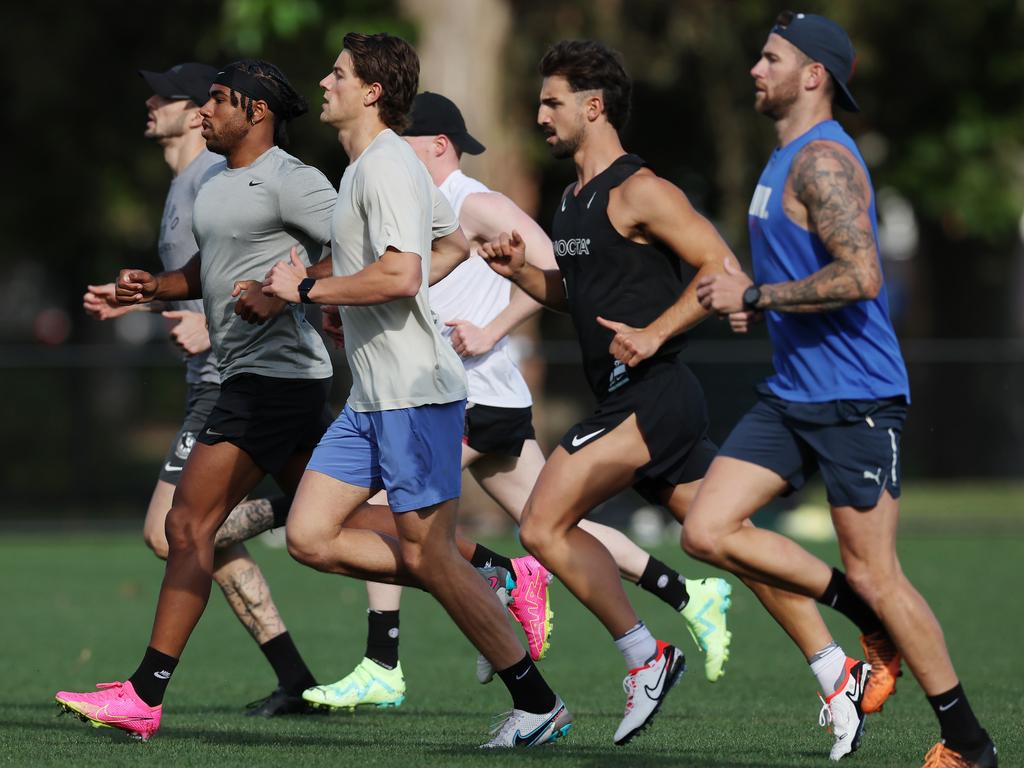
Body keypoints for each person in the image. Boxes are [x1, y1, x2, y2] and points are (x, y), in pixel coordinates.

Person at [480, 39, 883, 752]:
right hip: (634, 399)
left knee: (541, 523)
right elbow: (579, 298)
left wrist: (655, 330)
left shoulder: (642, 189)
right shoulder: (574, 199)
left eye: (553, 101)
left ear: (594, 106)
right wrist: (521, 274)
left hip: (653, 394)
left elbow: (719, 266)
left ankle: (645, 656)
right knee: (736, 548)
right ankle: (835, 668)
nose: (540, 114)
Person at [306, 90, 737, 712]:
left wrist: (493, 328)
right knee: (554, 526)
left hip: (474, 395)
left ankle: (390, 656)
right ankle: (687, 593)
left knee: (390, 511)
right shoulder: (403, 201)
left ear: (435, 144)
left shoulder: (473, 201)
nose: (389, 146)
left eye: (402, 137)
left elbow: (565, 275)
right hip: (465, 397)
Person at [691, 13, 997, 768]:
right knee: (707, 529)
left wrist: (756, 297)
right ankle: (868, 621)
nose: (755, 70)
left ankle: (969, 744)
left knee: (877, 571)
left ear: (813, 74)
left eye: (771, 58)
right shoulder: (782, 156)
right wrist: (743, 297)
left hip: (856, 397)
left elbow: (862, 275)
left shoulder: (821, 161)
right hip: (793, 393)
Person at [260, 33, 571, 749]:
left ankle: (538, 702)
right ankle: (480, 578)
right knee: (308, 536)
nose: (325, 82)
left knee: (429, 556)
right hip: (370, 400)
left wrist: (310, 288)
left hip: (416, 396)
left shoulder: (386, 167)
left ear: (371, 92)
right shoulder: (370, 168)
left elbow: (401, 275)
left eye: (337, 74)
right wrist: (344, 300)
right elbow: (451, 243)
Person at [56, 58, 342, 741]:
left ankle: (145, 694)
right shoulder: (214, 181)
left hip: (275, 380)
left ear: (258, 111)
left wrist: (286, 290)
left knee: (186, 528)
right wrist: (151, 288)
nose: (203, 111)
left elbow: (362, 251)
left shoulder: (294, 180)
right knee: (332, 535)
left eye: (216, 99)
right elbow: (204, 271)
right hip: (258, 380)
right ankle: (490, 578)